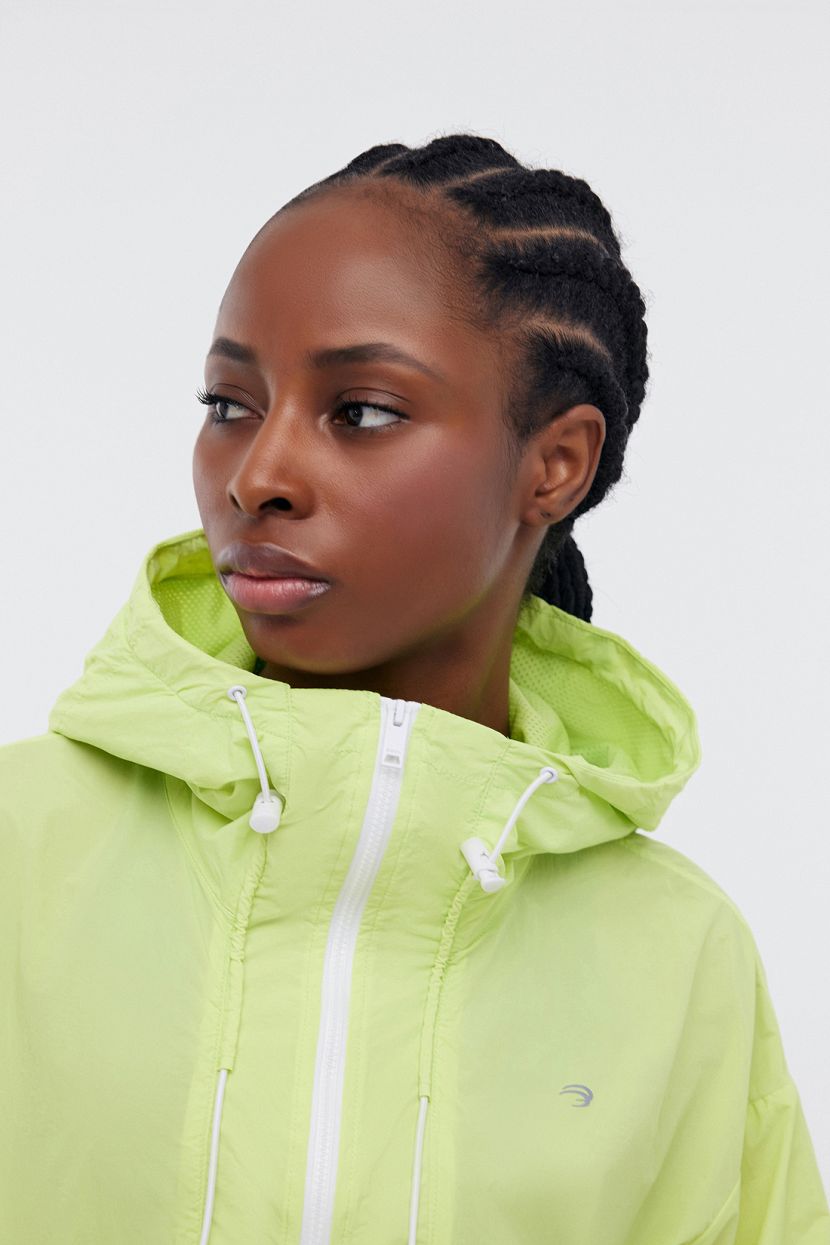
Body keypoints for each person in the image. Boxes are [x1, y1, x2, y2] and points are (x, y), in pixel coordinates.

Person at [1, 133, 827, 1245]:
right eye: (229, 403)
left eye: (361, 412)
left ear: (556, 464)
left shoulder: (681, 957)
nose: (257, 477)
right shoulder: (20, 848)